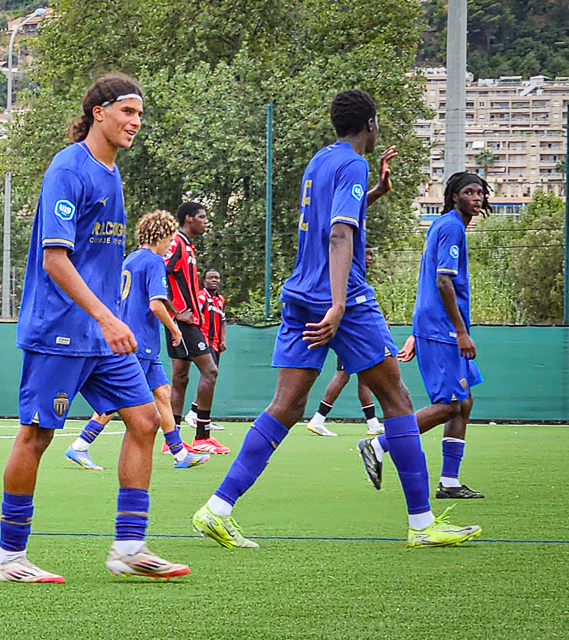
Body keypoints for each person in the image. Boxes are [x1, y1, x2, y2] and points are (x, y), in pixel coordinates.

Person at [190, 89, 481, 549]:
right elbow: (340, 231)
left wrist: (378, 192)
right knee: (398, 399)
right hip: (339, 299)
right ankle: (422, 525)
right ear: (371, 124)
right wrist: (341, 303)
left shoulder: (320, 160)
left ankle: (217, 508)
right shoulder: (354, 163)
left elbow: (339, 214)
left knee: (285, 406)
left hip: (300, 293)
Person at [0, 75, 190, 583]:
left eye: (140, 115)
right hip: (60, 328)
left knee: (145, 421)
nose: (135, 123)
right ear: (99, 112)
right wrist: (107, 316)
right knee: (36, 436)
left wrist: (110, 318)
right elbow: (55, 259)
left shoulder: (112, 173)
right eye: (127, 112)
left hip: (102, 336)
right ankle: (9, 558)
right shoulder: (68, 168)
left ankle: (129, 546)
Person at [359, 172, 489, 500]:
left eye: (480, 192)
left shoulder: (447, 225)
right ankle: (378, 443)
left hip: (435, 326)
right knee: (449, 406)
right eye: (469, 192)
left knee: (464, 402)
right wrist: (459, 333)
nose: (476, 197)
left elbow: (428, 279)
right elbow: (443, 282)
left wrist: (417, 333)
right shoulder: (450, 227)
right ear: (454, 196)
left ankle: (449, 482)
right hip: (444, 329)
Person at [64, 210, 208, 471]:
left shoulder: (129, 259)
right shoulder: (154, 262)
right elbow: (155, 305)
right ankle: (80, 446)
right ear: (161, 236)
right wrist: (175, 328)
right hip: (137, 342)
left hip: (141, 343)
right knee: (120, 400)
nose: (169, 246)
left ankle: (179, 454)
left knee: (163, 393)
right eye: (169, 239)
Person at [306, 247, 388, 437]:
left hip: (357, 331)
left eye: (371, 255)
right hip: (349, 332)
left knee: (364, 377)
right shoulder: (345, 272)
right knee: (343, 375)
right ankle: (318, 419)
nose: (370, 258)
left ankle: (373, 423)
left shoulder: (358, 274)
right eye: (366, 254)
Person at [165, 202, 227, 453]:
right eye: (201, 217)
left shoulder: (188, 247)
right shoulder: (177, 244)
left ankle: (173, 441)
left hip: (184, 321)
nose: (205, 221)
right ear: (188, 219)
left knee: (180, 378)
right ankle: (202, 436)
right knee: (210, 372)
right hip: (184, 321)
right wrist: (175, 312)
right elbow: (158, 273)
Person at [182, 269, 227, 431]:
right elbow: (194, 316)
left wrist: (223, 340)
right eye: (210, 278)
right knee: (208, 376)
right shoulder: (201, 298)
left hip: (215, 344)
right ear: (204, 281)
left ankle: (196, 413)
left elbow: (223, 321)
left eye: (217, 278)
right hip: (203, 342)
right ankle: (199, 417)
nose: (214, 280)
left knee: (210, 379)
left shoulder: (220, 300)